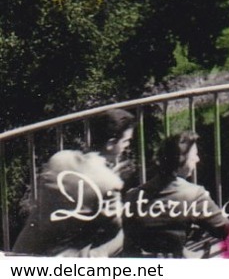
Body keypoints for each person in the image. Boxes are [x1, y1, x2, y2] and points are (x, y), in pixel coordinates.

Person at [12, 109, 136, 257]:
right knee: (126, 230)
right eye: (126, 141)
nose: (127, 146)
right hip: (61, 261)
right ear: (111, 144)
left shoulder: (59, 158)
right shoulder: (110, 181)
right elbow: (115, 226)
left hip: (24, 251)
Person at [123, 132, 229, 259]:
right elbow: (223, 229)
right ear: (182, 161)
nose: (198, 159)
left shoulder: (133, 195)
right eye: (195, 155)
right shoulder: (194, 194)